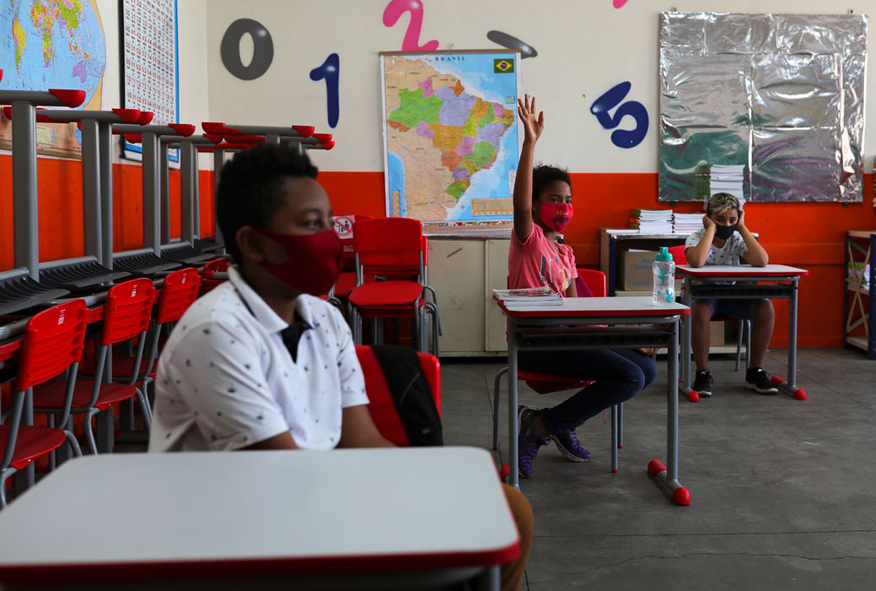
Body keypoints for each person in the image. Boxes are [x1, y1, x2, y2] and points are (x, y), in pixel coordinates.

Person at [147, 144, 531, 591]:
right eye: (312, 225)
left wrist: (436, 476)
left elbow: (360, 438)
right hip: (238, 534)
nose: (330, 239)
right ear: (253, 243)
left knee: (508, 512)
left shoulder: (323, 317)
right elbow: (283, 475)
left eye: (330, 224)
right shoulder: (216, 334)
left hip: (312, 497)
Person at [509, 95, 657, 478]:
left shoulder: (566, 253)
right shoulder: (528, 240)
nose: (563, 206)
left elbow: (580, 315)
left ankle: (557, 422)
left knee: (646, 368)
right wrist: (530, 142)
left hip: (567, 337)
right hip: (535, 342)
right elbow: (520, 207)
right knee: (630, 376)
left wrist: (628, 337)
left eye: (568, 200)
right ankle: (540, 427)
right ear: (536, 205)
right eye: (553, 199)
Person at [684, 192, 776, 396]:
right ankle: (702, 373)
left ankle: (754, 372)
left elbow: (761, 260)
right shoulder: (696, 237)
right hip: (703, 296)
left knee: (765, 307)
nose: (727, 225)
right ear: (708, 218)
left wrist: (742, 227)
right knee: (699, 310)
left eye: (732, 220)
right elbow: (697, 261)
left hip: (731, 294)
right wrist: (711, 230)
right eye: (720, 220)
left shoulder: (736, 238)